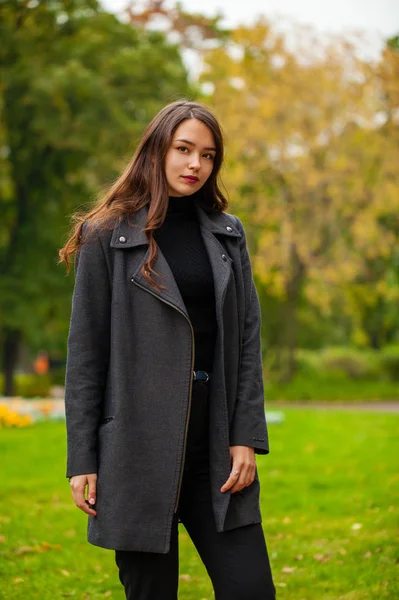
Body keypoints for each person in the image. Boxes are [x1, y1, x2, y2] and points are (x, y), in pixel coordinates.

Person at [59, 99, 276, 599]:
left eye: (208, 155)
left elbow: (246, 341)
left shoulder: (228, 234)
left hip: (216, 455)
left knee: (252, 589)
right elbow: (86, 356)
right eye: (183, 149)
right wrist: (82, 459)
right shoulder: (105, 236)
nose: (195, 164)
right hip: (135, 455)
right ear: (157, 150)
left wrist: (245, 436)